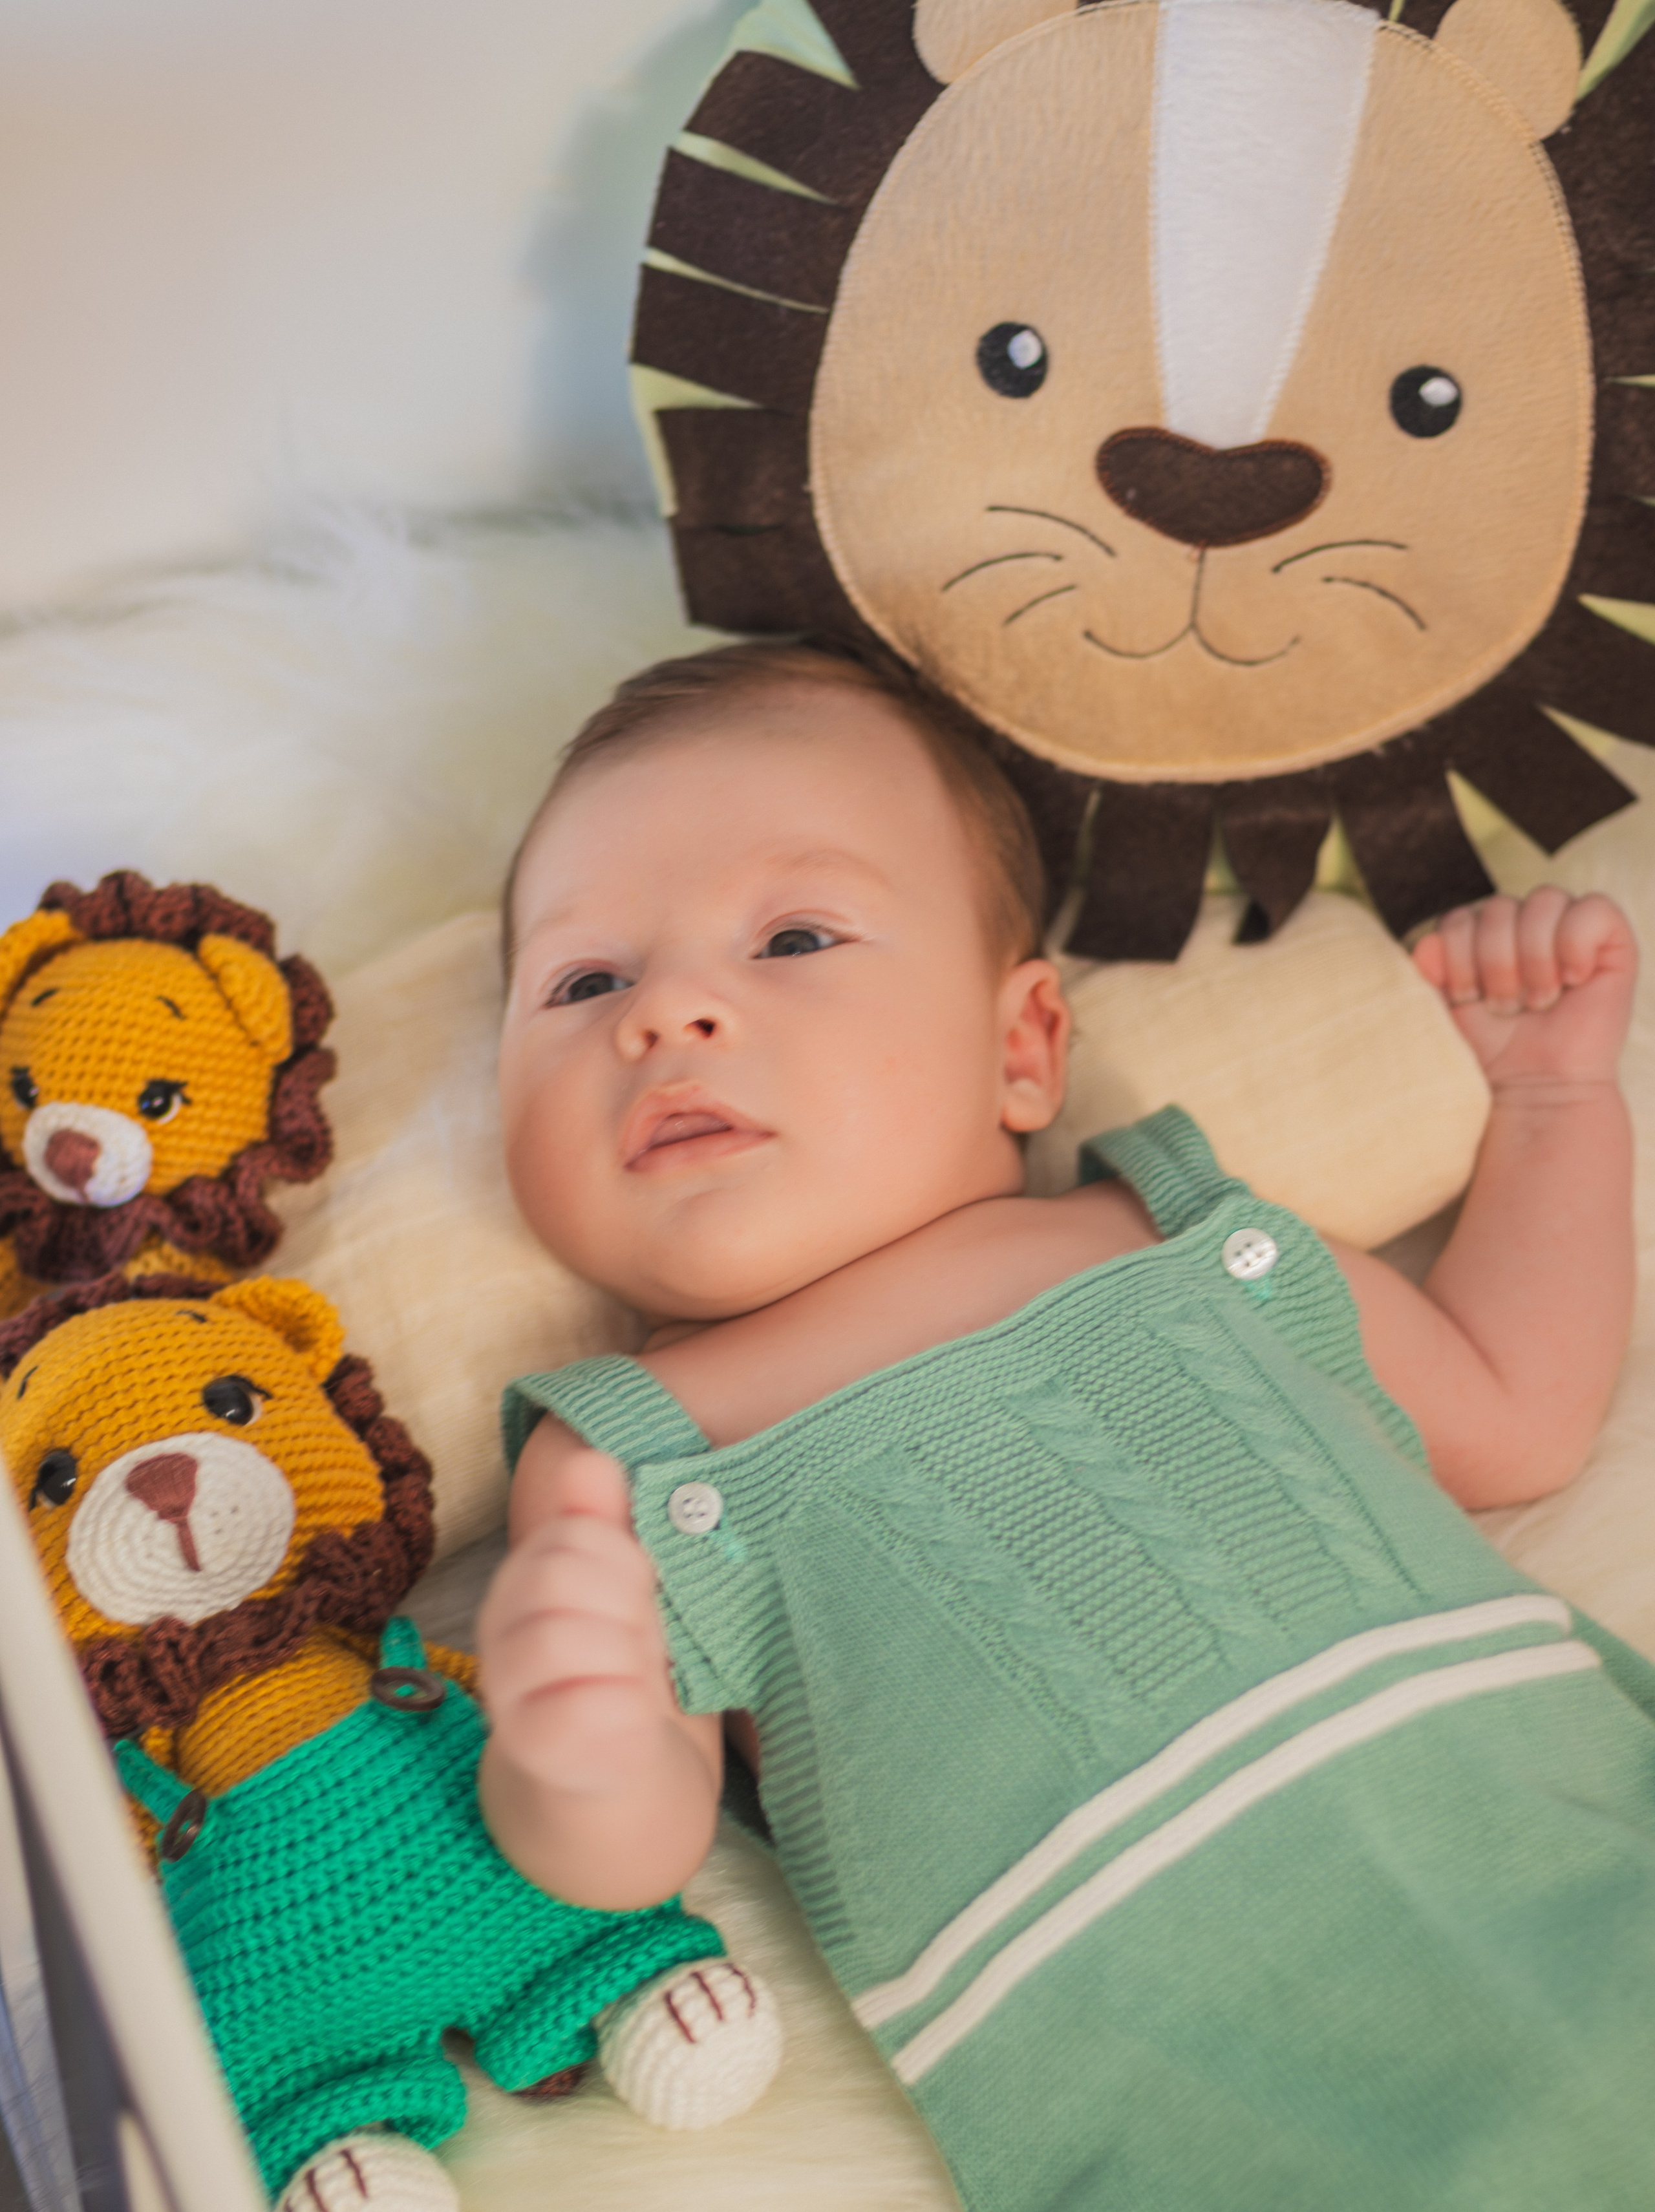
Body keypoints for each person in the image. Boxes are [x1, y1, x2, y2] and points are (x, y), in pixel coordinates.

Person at [478, 640, 1655, 2211]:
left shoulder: (1169, 1231)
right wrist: (570, 1745)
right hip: (1204, 2083)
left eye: (795, 935)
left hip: (1576, 1866)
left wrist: (1557, 1106)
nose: (669, 1012)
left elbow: (1514, 1410)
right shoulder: (625, 1451)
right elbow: (634, 1849)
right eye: (584, 981)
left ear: (1024, 1044)